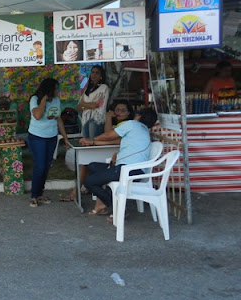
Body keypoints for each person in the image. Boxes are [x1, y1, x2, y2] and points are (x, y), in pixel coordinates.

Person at [80, 107, 158, 217]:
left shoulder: (132, 124)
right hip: (136, 171)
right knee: (93, 166)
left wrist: (92, 140)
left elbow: (108, 136)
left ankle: (117, 206)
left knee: (89, 182)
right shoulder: (144, 130)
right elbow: (117, 141)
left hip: (127, 170)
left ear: (139, 116)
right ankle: (101, 203)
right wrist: (93, 142)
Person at [60, 65, 110, 202]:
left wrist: (85, 105)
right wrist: (88, 105)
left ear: (101, 75)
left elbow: (97, 106)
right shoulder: (88, 88)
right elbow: (79, 106)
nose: (94, 75)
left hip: (96, 120)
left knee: (92, 153)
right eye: (92, 72)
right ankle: (87, 184)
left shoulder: (104, 88)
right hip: (86, 120)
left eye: (97, 73)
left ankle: (89, 185)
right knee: (85, 152)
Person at [28, 78, 70, 208]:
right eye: (56, 88)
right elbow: (37, 116)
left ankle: (40, 193)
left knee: (46, 166)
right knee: (40, 166)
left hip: (51, 137)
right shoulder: (35, 99)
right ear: (49, 89)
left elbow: (59, 120)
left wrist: (65, 138)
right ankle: (34, 196)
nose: (58, 91)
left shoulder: (56, 100)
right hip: (37, 137)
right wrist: (44, 100)